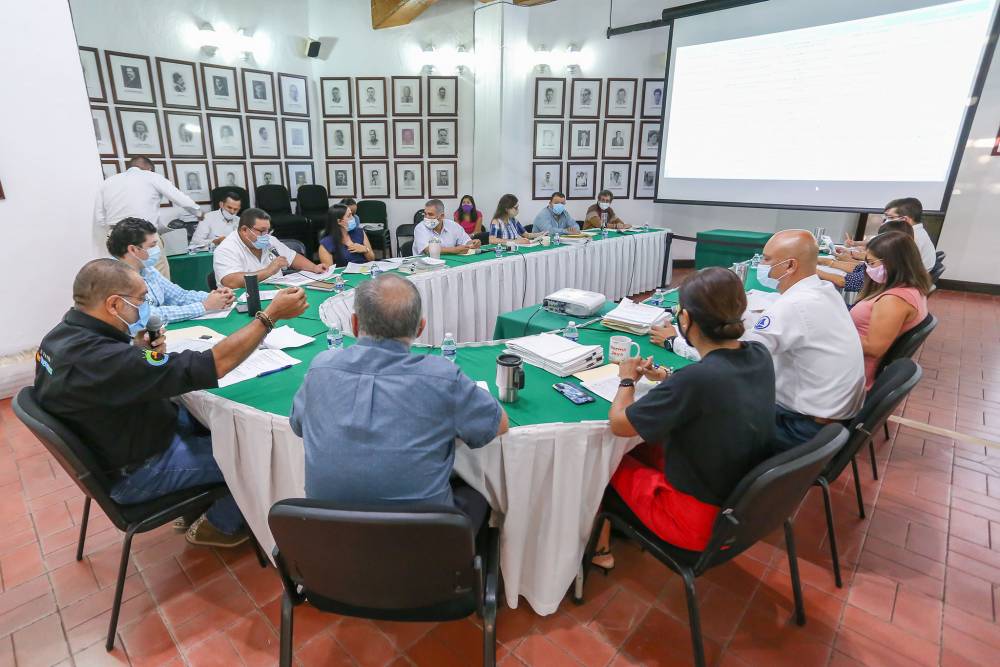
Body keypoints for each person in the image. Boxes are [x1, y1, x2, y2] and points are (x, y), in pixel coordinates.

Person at [35, 259, 308, 547]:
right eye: (140, 300)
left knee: (212, 421)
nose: (145, 307)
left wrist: (137, 352)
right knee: (258, 456)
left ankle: (199, 505)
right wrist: (269, 317)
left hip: (125, 437)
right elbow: (216, 364)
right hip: (139, 469)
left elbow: (105, 377)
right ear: (114, 305)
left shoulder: (59, 337)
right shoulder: (105, 360)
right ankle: (220, 525)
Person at [591, 268, 776, 568]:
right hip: (739, 507)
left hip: (694, 522)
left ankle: (600, 551)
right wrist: (667, 376)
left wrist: (627, 379)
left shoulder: (696, 380)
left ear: (685, 319)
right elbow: (711, 384)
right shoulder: (758, 354)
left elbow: (620, 424)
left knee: (603, 462)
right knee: (645, 449)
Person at [290, 274, 508, 528]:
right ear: (420, 328)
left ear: (354, 324)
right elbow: (499, 424)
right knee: (478, 491)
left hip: (327, 538)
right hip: (422, 541)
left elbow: (297, 425)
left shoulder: (320, 367)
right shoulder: (442, 377)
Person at [652, 230, 865, 450]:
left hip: (802, 428)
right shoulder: (824, 290)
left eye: (766, 259)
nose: (761, 265)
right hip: (832, 421)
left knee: (698, 416)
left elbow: (732, 359)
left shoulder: (793, 306)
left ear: (790, 265)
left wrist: (674, 341)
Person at [94, 156, 204, 278]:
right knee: (157, 277)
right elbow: (181, 199)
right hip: (143, 235)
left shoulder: (108, 182)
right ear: (149, 168)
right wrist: (199, 213)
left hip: (116, 236)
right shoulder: (152, 176)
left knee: (126, 278)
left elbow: (100, 218)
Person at [107, 218, 234, 323]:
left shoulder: (148, 270)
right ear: (133, 249)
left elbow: (179, 296)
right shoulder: (115, 277)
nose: (157, 249)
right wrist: (204, 306)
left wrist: (216, 297)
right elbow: (148, 315)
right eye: (152, 246)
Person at [850, 231, 931, 389]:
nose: (868, 269)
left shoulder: (894, 300)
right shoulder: (910, 289)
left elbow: (874, 348)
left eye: (871, 263)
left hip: (855, 371)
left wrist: (833, 334)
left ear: (892, 263)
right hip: (853, 360)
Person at [213, 208, 328, 288]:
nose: (266, 235)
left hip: (277, 294)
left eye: (268, 231)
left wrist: (314, 267)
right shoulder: (226, 249)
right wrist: (268, 271)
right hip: (245, 301)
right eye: (262, 231)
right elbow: (231, 281)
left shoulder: (270, 240)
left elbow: (293, 258)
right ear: (244, 230)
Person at [818, 219, 913, 291]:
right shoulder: (899, 267)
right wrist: (828, 262)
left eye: (871, 262)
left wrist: (814, 270)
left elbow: (844, 281)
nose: (868, 266)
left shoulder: (884, 273)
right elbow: (860, 267)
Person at [845, 198, 936, 271]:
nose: (886, 221)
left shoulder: (910, 238)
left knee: (845, 277)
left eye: (891, 217)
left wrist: (853, 256)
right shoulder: (914, 232)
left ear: (904, 219)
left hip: (899, 280)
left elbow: (882, 267)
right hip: (903, 276)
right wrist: (855, 245)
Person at [414, 199, 480, 255]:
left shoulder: (453, 225)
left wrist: (472, 243)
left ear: (442, 216)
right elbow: (427, 250)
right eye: (425, 214)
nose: (426, 217)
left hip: (450, 261)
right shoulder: (420, 228)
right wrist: (454, 250)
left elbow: (466, 241)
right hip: (424, 263)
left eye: (430, 214)